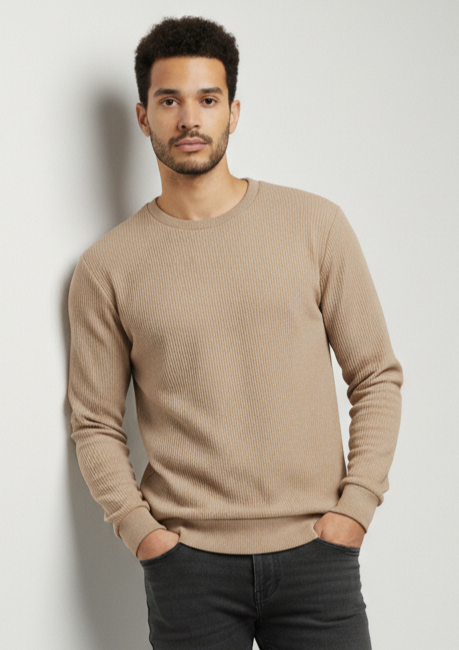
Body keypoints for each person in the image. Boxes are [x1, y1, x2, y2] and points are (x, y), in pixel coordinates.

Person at [67, 15, 403, 650]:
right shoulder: (107, 267)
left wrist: (355, 509)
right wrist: (142, 532)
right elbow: (94, 422)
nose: (189, 119)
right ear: (143, 117)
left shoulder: (316, 226)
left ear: (234, 112)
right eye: (169, 101)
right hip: (188, 568)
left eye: (207, 99)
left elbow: (376, 377)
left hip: (318, 556)